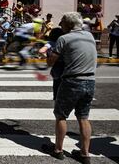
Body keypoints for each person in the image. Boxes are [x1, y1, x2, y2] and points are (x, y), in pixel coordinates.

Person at [43, 12, 97, 164]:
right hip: (90, 81)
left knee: (61, 115)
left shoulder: (63, 38)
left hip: (72, 81)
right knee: (83, 117)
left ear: (68, 24)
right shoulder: (90, 36)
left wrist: (48, 53)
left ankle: (58, 150)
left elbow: (50, 62)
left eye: (62, 22)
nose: (60, 25)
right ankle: (85, 154)